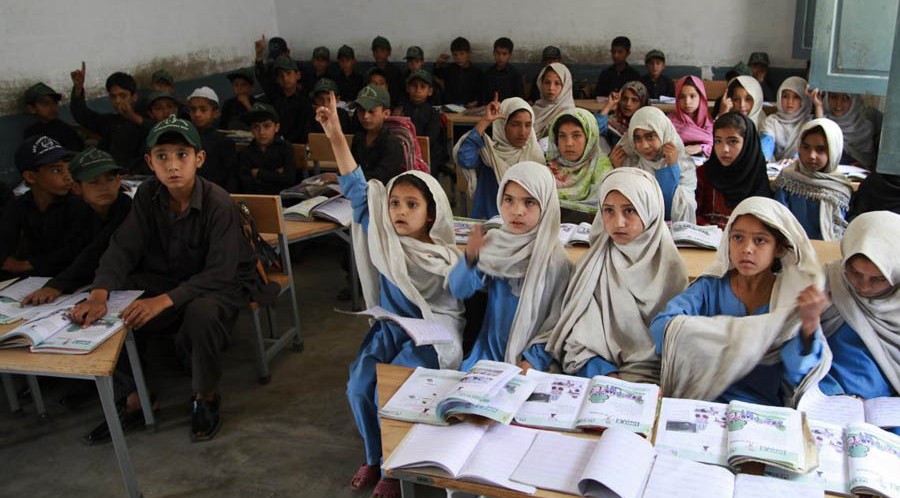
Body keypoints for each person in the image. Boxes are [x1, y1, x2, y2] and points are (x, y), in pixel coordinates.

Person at [70, 116, 259, 443]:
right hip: (171, 278)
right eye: (162, 156)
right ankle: (135, 396)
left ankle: (205, 394)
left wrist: (163, 301)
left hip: (220, 284)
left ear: (199, 159)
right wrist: (99, 292)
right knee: (112, 302)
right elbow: (123, 246)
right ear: (149, 162)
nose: (172, 165)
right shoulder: (148, 194)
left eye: (182, 155)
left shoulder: (218, 202)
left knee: (201, 312)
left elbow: (220, 272)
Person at [317, 92, 465, 497]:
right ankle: (374, 456)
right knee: (359, 386)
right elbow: (357, 188)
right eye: (395, 203)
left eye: (411, 204)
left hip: (432, 336)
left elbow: (456, 302)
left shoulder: (446, 256)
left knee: (395, 389)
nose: (399, 210)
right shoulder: (384, 237)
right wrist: (335, 135)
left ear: (431, 214)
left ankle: (394, 468)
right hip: (391, 329)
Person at [651, 197, 830, 405]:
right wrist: (743, 336)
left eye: (760, 240)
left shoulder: (789, 299)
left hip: (761, 406)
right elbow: (663, 329)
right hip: (704, 398)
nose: (746, 249)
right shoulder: (710, 286)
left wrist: (809, 326)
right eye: (737, 238)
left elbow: (797, 370)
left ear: (780, 249)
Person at [523, 168, 687, 382]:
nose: (618, 222)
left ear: (650, 210)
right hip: (599, 371)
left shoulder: (671, 271)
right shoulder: (593, 264)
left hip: (658, 375)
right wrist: (604, 373)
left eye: (630, 210)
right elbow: (571, 329)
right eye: (609, 211)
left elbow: (679, 344)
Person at [450, 161, 572, 370]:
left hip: (534, 361)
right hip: (488, 354)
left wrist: (533, 360)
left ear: (546, 205)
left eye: (529, 202)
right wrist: (470, 258)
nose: (517, 211)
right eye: (509, 200)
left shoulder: (556, 261)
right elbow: (458, 289)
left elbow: (557, 323)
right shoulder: (496, 244)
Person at [818, 212, 900, 435]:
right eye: (854, 272)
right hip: (826, 400)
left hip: (888, 415)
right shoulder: (828, 283)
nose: (863, 286)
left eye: (878, 279)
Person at [23, 147, 131, 304]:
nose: (104, 187)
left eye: (110, 180)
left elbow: (99, 249)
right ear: (77, 188)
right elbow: (74, 248)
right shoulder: (81, 211)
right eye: (93, 182)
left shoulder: (127, 207)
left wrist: (57, 285)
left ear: (119, 181)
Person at [0, 136, 85, 279]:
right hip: (34, 279)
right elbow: (5, 239)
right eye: (56, 171)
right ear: (30, 177)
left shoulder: (78, 205)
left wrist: (29, 265)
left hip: (70, 277)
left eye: (69, 169)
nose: (68, 177)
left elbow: (74, 250)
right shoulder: (21, 205)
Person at [452, 96, 544, 219]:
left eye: (528, 125)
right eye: (515, 125)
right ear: (502, 125)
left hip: (524, 222)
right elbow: (465, 159)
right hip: (489, 220)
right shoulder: (489, 153)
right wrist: (485, 121)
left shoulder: (534, 155)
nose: (522, 132)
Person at [610, 106, 697, 223]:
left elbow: (672, 204)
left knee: (685, 200)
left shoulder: (682, 163)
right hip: (640, 230)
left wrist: (672, 167)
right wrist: (618, 171)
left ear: (663, 133)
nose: (644, 146)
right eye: (637, 139)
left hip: (674, 230)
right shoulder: (630, 163)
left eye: (650, 136)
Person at [773, 119, 852, 241]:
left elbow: (836, 230)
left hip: (826, 247)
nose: (811, 155)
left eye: (820, 149)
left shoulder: (840, 187)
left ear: (834, 151)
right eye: (805, 147)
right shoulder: (788, 178)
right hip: (789, 243)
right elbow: (778, 217)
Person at [696, 112, 772, 229]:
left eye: (733, 141)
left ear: (747, 143)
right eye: (718, 141)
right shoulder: (704, 173)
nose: (724, 149)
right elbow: (693, 215)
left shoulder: (756, 175)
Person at [70, 63, 149, 174]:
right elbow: (83, 116)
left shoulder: (147, 118)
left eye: (122, 96)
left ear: (134, 97)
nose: (117, 101)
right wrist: (78, 89)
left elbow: (160, 130)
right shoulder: (110, 122)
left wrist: (132, 116)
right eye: (113, 97)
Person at [545, 108, 612, 209]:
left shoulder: (602, 171)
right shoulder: (547, 171)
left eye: (576, 136)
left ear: (589, 139)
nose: (569, 143)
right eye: (562, 136)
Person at [255, 39, 311, 144]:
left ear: (298, 75)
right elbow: (262, 77)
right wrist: (259, 55)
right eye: (281, 76)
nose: (285, 78)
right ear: (276, 80)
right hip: (274, 142)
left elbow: (303, 129)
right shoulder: (274, 96)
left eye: (288, 73)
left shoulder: (304, 101)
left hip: (296, 144)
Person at [396, 70, 448, 177]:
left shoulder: (433, 114)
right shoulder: (400, 110)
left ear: (430, 91)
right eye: (414, 86)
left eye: (423, 87)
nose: (418, 90)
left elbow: (429, 139)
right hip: (402, 153)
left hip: (427, 156)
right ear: (407, 88)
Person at [349, 85, 405, 184]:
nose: (365, 116)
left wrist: (347, 178)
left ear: (386, 113)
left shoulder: (392, 143)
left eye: (371, 111)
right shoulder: (358, 138)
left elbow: (380, 177)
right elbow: (351, 167)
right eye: (361, 110)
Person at [188, 87, 238, 192]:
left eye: (203, 109)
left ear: (215, 112)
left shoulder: (225, 143)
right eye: (193, 109)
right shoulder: (184, 140)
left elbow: (232, 180)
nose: (197, 114)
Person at [238, 103, 296, 194]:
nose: (261, 132)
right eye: (256, 127)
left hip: (282, 198)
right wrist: (275, 175)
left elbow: (289, 180)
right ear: (251, 130)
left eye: (267, 126)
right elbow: (245, 184)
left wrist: (258, 173)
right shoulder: (245, 153)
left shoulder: (285, 148)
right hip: (255, 198)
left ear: (276, 127)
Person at [818, 92, 876, 169]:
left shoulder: (865, 128)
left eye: (845, 98)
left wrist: (863, 166)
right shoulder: (821, 121)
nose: (838, 103)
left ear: (854, 101)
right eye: (833, 96)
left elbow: (868, 162)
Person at [761, 77, 813, 161]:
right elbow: (766, 146)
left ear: (804, 99)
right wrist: (764, 160)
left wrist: (794, 162)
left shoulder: (809, 123)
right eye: (785, 96)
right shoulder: (771, 121)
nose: (790, 101)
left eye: (796, 97)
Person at [23, 82, 84, 152]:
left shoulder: (64, 128)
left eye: (55, 103)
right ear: (32, 108)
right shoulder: (31, 133)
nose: (53, 107)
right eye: (45, 103)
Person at [669, 76, 713, 157]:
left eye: (692, 96)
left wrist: (702, 147)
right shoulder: (669, 122)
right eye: (682, 97)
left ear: (701, 97)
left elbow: (716, 145)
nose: (687, 102)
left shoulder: (709, 122)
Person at [434, 36, 482, 107]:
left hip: (469, 107)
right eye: (455, 55)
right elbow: (436, 75)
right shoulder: (449, 70)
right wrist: (439, 63)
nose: (458, 57)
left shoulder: (477, 73)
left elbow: (481, 93)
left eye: (461, 54)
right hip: (450, 107)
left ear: (468, 53)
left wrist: (476, 102)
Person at [532, 63, 575, 139]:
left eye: (557, 83)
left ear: (565, 87)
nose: (551, 88)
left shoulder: (569, 114)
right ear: (540, 84)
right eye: (547, 83)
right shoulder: (535, 109)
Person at [603, 80, 648, 146]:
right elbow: (595, 131)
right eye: (625, 99)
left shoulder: (647, 124)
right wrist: (609, 105)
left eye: (634, 100)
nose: (628, 104)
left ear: (642, 104)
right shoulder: (612, 121)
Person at [482, 37, 524, 103]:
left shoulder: (515, 75)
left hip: (509, 107)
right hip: (490, 107)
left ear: (510, 55)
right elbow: (483, 98)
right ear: (494, 53)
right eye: (498, 53)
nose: (500, 57)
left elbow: (519, 99)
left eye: (504, 54)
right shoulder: (487, 74)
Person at [370, 36, 404, 107]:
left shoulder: (396, 72)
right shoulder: (369, 72)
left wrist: (399, 107)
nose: (379, 54)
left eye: (382, 51)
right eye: (376, 51)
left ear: (389, 52)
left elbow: (401, 93)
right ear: (373, 53)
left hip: (393, 106)